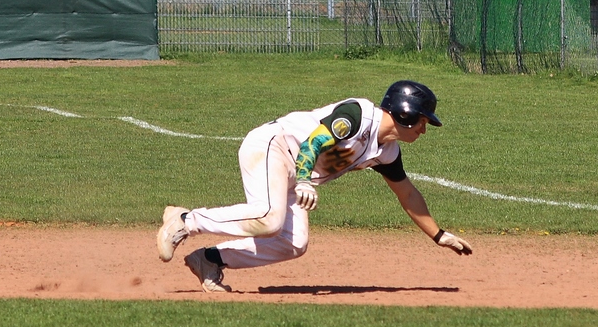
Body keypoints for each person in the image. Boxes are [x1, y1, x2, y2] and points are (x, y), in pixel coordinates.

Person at [154, 80, 473, 292]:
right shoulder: (359, 115)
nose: (424, 128)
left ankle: (209, 259)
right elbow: (314, 142)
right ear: (406, 112)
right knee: (269, 218)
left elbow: (407, 193)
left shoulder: (387, 151)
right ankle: (185, 221)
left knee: (293, 243)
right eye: (423, 120)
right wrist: (305, 178)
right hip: (274, 147)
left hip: (296, 174)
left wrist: (439, 235)